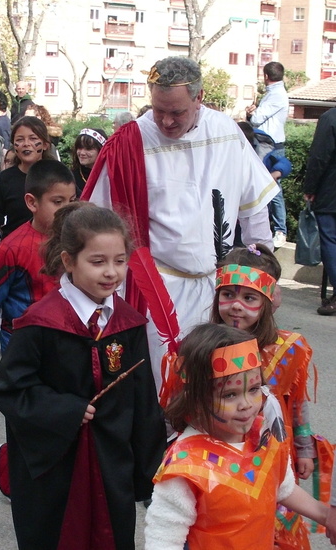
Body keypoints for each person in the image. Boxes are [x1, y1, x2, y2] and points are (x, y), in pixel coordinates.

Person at [81, 56, 278, 392]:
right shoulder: (132, 141)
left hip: (219, 289)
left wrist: (266, 272)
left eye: (177, 112)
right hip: (158, 289)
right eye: (158, 110)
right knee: (164, 388)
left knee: (219, 386)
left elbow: (254, 205)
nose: (166, 121)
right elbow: (96, 222)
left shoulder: (227, 132)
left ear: (199, 98)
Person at [0, 203, 166, 550]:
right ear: (69, 261)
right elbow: (9, 390)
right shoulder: (39, 322)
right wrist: (64, 410)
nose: (111, 272)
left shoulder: (128, 323)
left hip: (111, 462)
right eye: (97, 261)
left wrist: (150, 472)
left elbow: (144, 403)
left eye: (119, 261)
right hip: (55, 469)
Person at [145, 323, 328, 549]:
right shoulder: (185, 466)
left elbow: (283, 488)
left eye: (253, 390)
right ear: (196, 399)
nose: (247, 405)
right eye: (229, 395)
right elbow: (162, 540)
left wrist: (325, 515)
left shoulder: (264, 436)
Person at [211, 244, 325, 548]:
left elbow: (298, 403)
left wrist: (304, 449)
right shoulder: (200, 346)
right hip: (220, 455)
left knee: (277, 517)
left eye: (249, 298)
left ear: (267, 302)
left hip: (276, 453)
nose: (236, 306)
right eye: (228, 295)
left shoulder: (288, 348)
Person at [0, 159, 76, 373]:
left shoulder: (78, 240)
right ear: (32, 202)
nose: (67, 209)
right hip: (22, 350)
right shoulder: (12, 249)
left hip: (68, 347)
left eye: (72, 201)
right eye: (58, 202)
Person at [0, 116, 55, 267]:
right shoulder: (5, 179)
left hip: (51, 258)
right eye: (20, 139)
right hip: (14, 260)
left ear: (45, 144)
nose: (26, 144)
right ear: (14, 145)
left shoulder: (58, 176)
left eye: (33, 138)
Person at [246, 61, 289, 249]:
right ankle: (272, 229)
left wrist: (252, 113)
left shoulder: (277, 95)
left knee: (273, 187)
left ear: (266, 76)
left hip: (271, 145)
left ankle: (280, 230)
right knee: (265, 187)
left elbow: (257, 118)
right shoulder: (273, 94)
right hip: (264, 143)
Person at [238, 121, 292, 249]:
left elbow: (284, 162)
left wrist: (275, 173)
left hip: (256, 200)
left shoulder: (263, 150)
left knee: (275, 192)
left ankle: (280, 230)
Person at [303, 107, 336, 316]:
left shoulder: (330, 118)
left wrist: (310, 188)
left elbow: (318, 157)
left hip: (331, 192)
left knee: (330, 241)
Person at [71, 128, 107, 194]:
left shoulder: (109, 177)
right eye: (79, 147)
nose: (82, 153)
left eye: (88, 148)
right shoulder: (70, 177)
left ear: (101, 151)